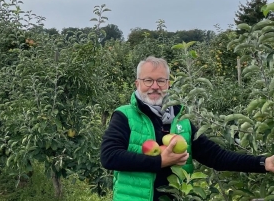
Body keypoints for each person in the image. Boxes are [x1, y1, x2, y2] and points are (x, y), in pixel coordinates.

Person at [100, 56, 274, 201]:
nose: (155, 86)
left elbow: (215, 156)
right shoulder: (125, 116)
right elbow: (109, 157)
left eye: (161, 80)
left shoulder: (181, 119)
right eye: (148, 80)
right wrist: (160, 161)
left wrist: (263, 163)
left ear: (168, 84)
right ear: (137, 84)